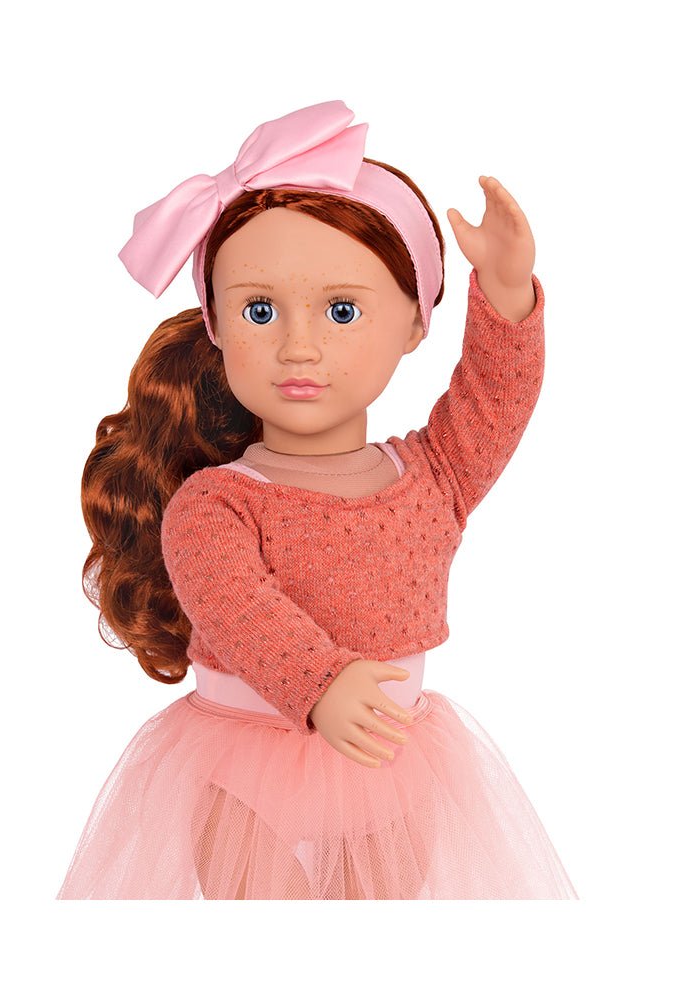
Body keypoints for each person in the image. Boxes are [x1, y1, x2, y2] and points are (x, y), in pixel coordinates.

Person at [56, 100, 578, 899]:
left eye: (342, 311)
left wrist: (505, 294)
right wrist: (321, 685)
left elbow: (494, 400)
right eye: (260, 311)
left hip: (391, 761)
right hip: (242, 764)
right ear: (217, 324)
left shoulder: (433, 476)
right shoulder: (216, 504)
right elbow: (239, 608)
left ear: (414, 324)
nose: (299, 346)